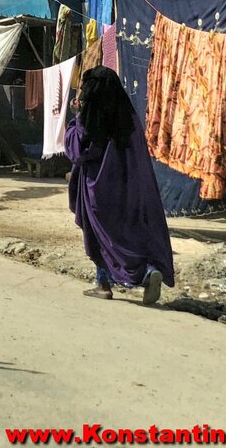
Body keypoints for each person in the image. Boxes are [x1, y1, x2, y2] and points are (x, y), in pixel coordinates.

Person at [64, 66, 175, 304]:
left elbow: (77, 150)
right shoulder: (128, 116)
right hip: (130, 188)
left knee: (101, 238)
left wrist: (76, 117)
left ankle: (114, 282)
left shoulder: (91, 118)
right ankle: (148, 269)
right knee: (128, 235)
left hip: (99, 190)